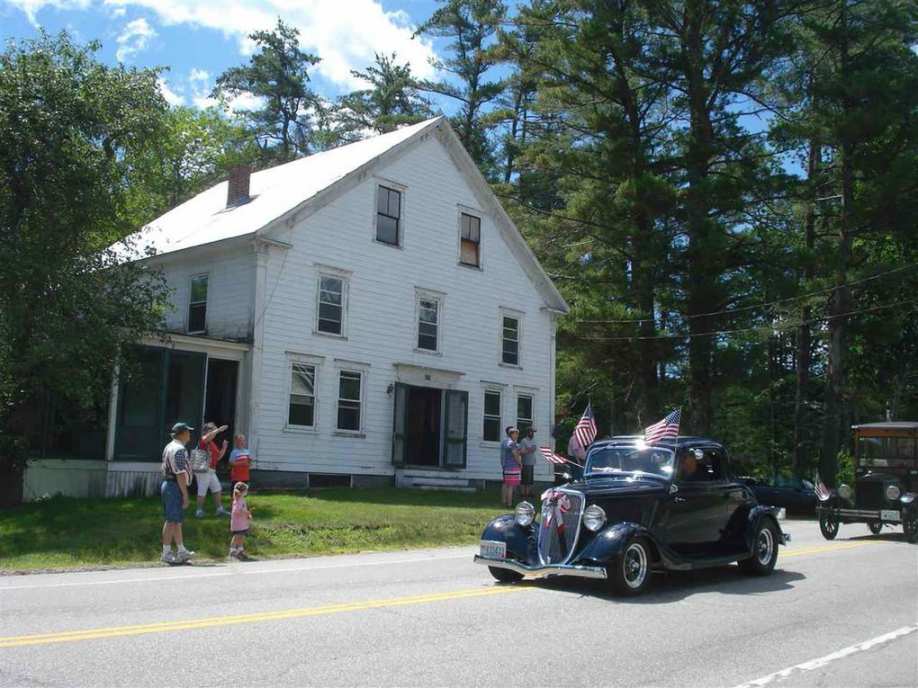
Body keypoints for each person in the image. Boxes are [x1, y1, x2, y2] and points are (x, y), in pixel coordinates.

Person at [161, 422, 195, 564]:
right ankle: (166, 552)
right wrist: (185, 494)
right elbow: (180, 474)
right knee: (171, 520)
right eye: (188, 431)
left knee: (176, 521)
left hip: (170, 484)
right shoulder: (179, 449)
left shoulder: (169, 446)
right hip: (174, 486)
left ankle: (181, 551)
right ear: (182, 433)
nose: (190, 434)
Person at [195, 421, 230, 518]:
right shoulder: (203, 440)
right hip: (203, 469)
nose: (215, 432)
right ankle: (199, 511)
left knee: (217, 488)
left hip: (211, 470)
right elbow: (206, 437)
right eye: (213, 430)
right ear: (207, 431)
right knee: (202, 490)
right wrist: (218, 430)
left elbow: (218, 457)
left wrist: (224, 448)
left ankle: (219, 509)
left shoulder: (212, 443)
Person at [229, 482, 253, 560]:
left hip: (242, 523)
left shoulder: (242, 500)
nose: (247, 492)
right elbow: (236, 511)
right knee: (237, 536)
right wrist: (245, 512)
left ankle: (240, 550)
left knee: (241, 536)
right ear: (242, 491)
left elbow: (243, 510)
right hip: (238, 523)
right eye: (246, 490)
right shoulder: (237, 500)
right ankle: (232, 550)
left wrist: (248, 515)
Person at [500, 427, 522, 508]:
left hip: (506, 466)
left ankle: (504, 501)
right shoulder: (511, 443)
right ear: (511, 434)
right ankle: (509, 504)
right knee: (511, 486)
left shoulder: (508, 442)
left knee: (506, 484)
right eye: (515, 434)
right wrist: (520, 463)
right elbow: (515, 454)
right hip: (512, 467)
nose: (517, 435)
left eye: (517, 434)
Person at [519, 426, 538, 500]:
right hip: (525, 462)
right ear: (528, 432)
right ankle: (523, 494)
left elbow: (534, 449)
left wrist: (528, 449)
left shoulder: (533, 440)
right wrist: (529, 449)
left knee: (530, 480)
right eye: (531, 432)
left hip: (531, 462)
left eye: (533, 432)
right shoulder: (523, 441)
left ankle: (528, 493)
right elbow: (522, 451)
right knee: (525, 479)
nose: (533, 433)